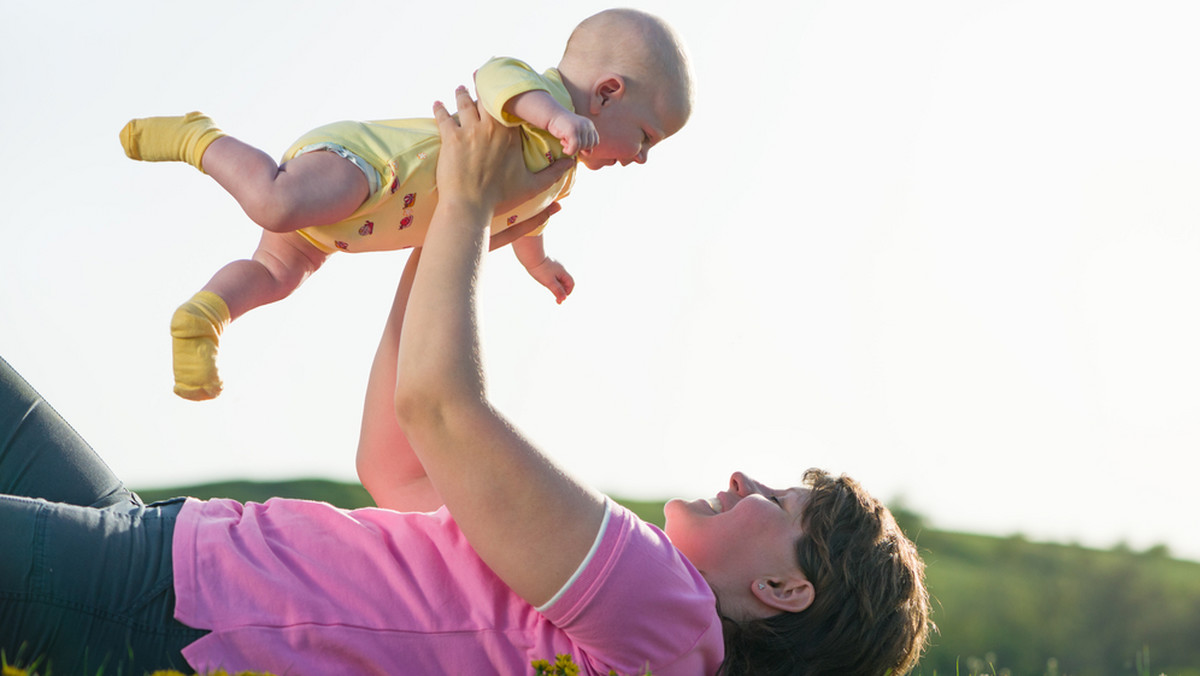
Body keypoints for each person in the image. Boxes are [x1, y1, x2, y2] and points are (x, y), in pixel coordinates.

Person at [1, 90, 930, 676]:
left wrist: (476, 198)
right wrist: (451, 217)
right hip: (174, 560)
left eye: (779, 502)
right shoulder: (615, 609)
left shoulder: (669, 619)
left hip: (162, 608)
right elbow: (400, 462)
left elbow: (441, 409)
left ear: (785, 588)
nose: (743, 482)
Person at [118, 7, 693, 401]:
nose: (641, 157)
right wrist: (555, 116)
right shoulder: (528, 95)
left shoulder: (559, 174)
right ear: (608, 92)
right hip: (371, 168)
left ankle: (204, 318)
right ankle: (199, 138)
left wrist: (536, 263)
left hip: (346, 230)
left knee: (275, 274)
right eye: (646, 136)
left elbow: (521, 220)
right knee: (275, 203)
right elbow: (494, 78)